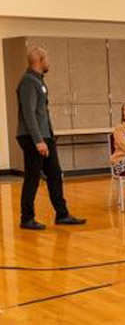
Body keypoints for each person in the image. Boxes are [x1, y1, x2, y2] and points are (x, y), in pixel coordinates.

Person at [14, 46, 86, 230]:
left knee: (54, 174)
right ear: (39, 60)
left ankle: (62, 214)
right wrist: (38, 140)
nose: (49, 62)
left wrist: (48, 138)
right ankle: (26, 218)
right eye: (47, 58)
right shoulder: (29, 82)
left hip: (45, 136)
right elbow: (29, 114)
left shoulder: (39, 81)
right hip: (32, 137)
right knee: (32, 177)